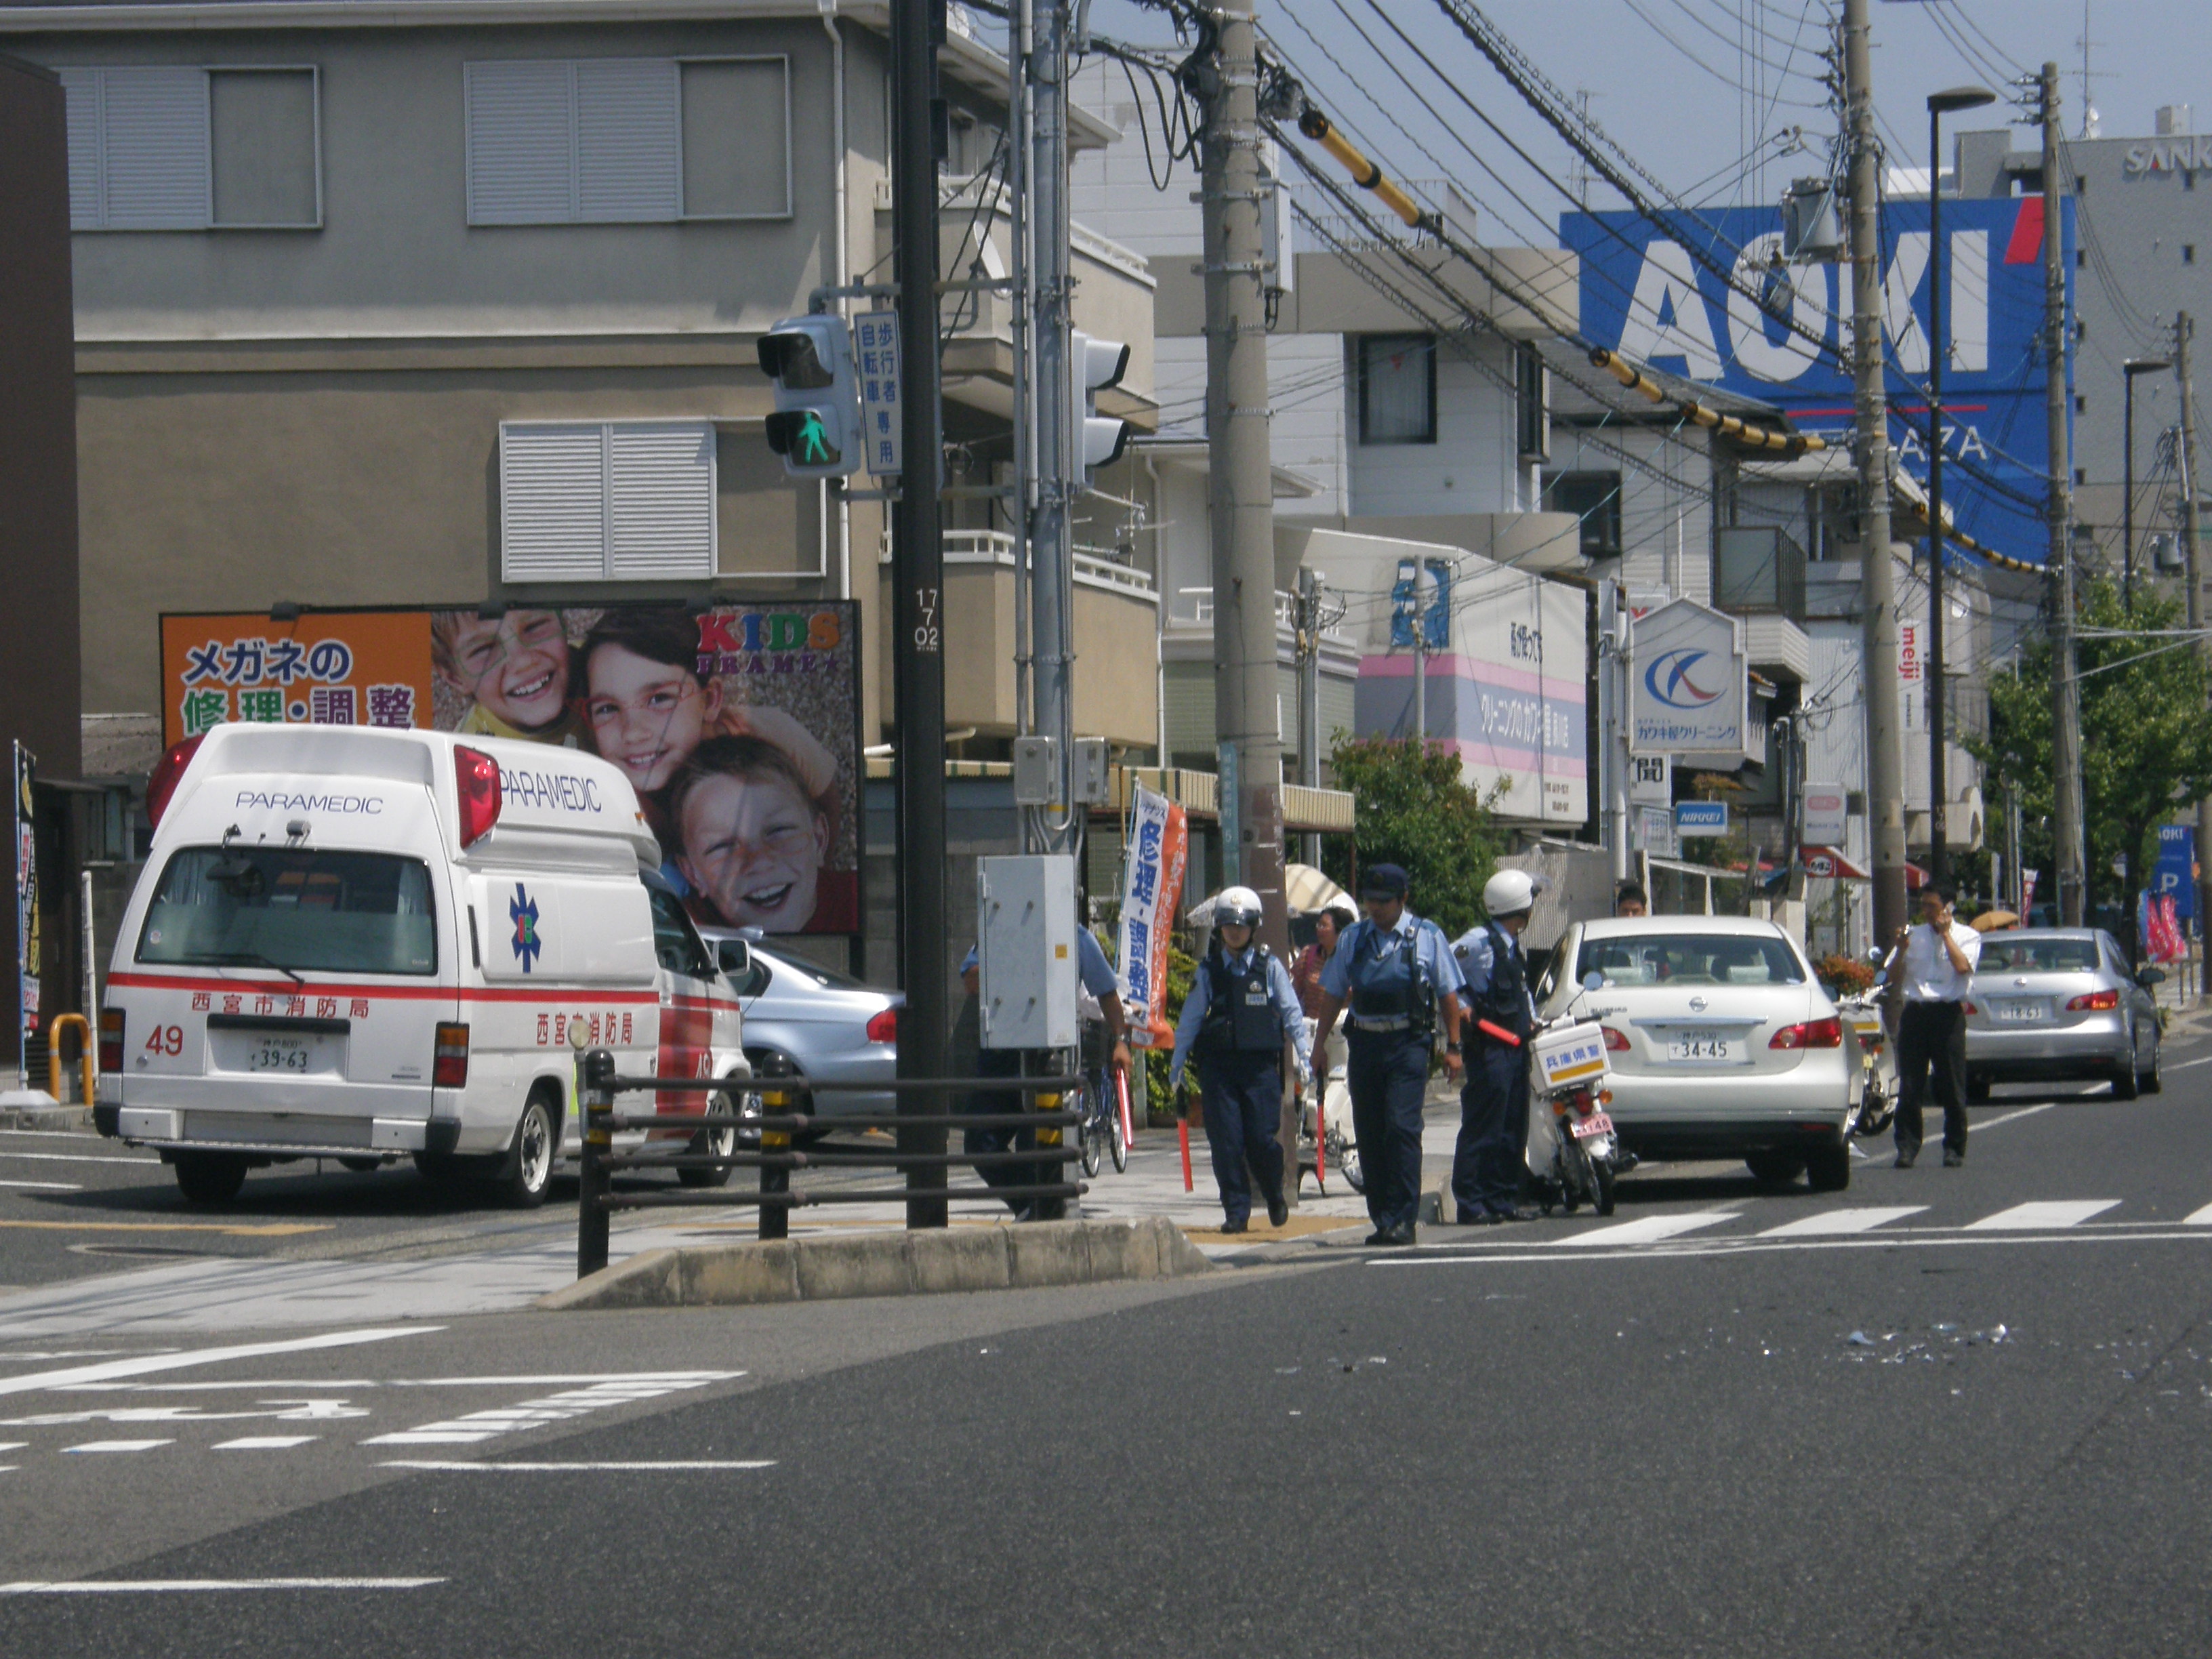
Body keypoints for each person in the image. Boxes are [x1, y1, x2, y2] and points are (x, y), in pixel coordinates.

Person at [1308, 864, 1465, 1247]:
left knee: (1401, 1129)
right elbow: (1332, 993)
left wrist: (1455, 1047)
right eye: (1370, 901)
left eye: (1384, 902)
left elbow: (1447, 995)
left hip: (1408, 1045)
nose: (1375, 909)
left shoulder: (1426, 936)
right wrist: (1318, 1046)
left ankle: (1403, 1218)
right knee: (1371, 1134)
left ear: (1403, 899)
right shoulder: (1353, 939)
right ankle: (1382, 1219)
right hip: (1364, 1044)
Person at [961, 930, 1132, 1219]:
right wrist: (1012, 964)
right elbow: (971, 980)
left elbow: (1106, 991)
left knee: (1038, 1146)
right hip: (1001, 1052)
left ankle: (1042, 1212)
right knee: (980, 1142)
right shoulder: (996, 925)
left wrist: (1121, 1040)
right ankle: (1031, 1207)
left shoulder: (1074, 933)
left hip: (1049, 1055)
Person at [1168, 887, 1309, 1233]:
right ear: (1219, 927)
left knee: (1261, 1140)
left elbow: (1291, 1013)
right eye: (1228, 924)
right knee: (1226, 1143)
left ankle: (1274, 1192)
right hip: (1219, 1070)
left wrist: (1305, 1055)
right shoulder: (1208, 970)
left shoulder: (1269, 967)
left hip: (1260, 1069)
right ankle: (1236, 1211)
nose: (1235, 931)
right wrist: (1178, 1062)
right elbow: (1190, 1019)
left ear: (1254, 927)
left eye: (1242, 925)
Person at [667, 735, 859, 933]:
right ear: (692, 874)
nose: (759, 862)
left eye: (779, 831)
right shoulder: (677, 930)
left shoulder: (859, 900)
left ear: (819, 840)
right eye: (722, 847)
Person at [1449, 868, 1541, 1223]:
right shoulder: (1477, 942)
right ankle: (1472, 1203)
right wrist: (1461, 1006)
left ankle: (1503, 1199)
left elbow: (1520, 989)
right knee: (1484, 1125)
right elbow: (1440, 972)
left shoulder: (1511, 946)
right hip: (1489, 1049)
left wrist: (1531, 1018)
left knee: (1512, 1126)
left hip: (1516, 1047)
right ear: (1522, 907)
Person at [1883, 880, 1981, 1168]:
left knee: (1951, 1084)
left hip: (1948, 1015)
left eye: (1932, 906)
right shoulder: (1912, 936)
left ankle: (1953, 1147)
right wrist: (1900, 950)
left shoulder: (1968, 936)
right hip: (1916, 1013)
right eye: (1923, 905)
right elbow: (1892, 976)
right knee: (1910, 1085)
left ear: (1948, 907)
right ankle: (1907, 1147)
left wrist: (1946, 935)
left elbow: (1963, 967)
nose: (1926, 911)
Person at [432, 609, 583, 744]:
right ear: (455, 678)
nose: (524, 662)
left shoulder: (603, 664)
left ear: (563, 623)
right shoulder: (470, 751)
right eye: (485, 649)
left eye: (534, 626)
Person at [1293, 895, 1357, 1021]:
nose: (1318, 929)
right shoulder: (1308, 954)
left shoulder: (1357, 960)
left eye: (1324, 926)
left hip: (1343, 1032)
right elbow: (1293, 994)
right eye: (1318, 924)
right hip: (1311, 1029)